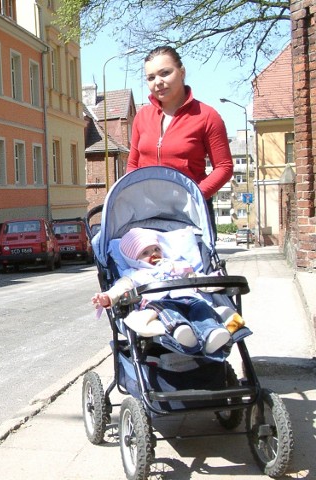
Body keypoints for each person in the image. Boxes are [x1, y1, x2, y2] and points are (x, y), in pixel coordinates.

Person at [127, 46, 233, 235]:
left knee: (190, 265)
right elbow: (133, 166)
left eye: (165, 73)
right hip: (148, 213)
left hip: (191, 215)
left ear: (182, 72)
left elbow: (224, 167)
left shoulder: (207, 116)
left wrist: (195, 195)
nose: (158, 82)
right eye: (151, 78)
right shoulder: (142, 117)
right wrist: (135, 196)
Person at [91, 228, 244, 356]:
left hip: (190, 298)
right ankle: (180, 330)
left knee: (202, 310)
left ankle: (212, 335)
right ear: (133, 259)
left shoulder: (175, 266)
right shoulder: (134, 274)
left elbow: (196, 279)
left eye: (157, 249)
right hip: (162, 304)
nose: (153, 254)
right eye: (145, 253)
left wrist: (215, 280)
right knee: (170, 313)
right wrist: (107, 297)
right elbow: (120, 288)